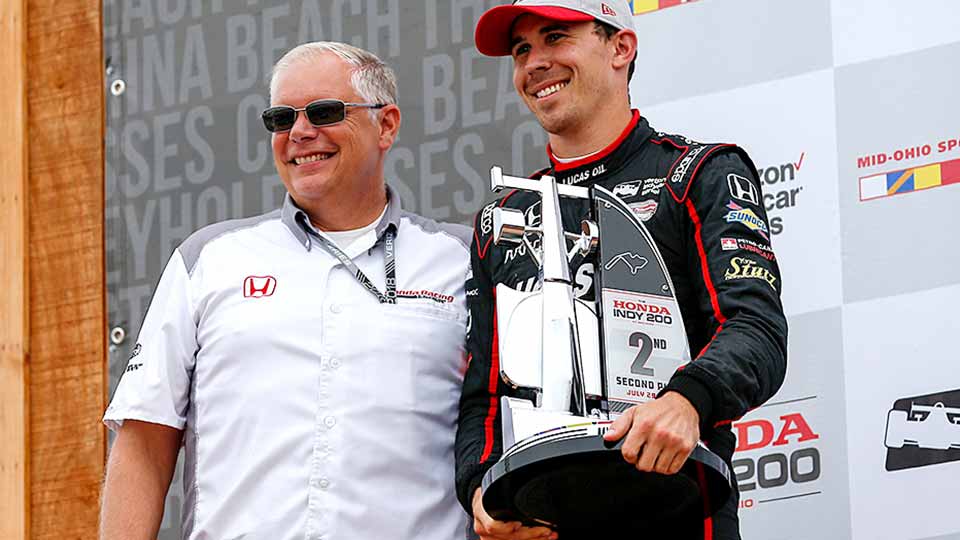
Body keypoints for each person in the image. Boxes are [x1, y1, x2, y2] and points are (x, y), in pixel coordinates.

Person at [100, 42, 472, 540]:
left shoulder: (464, 260)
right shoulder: (209, 259)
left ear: (386, 125)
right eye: (281, 118)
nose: (299, 132)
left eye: (324, 112)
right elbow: (145, 438)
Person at [456, 1, 788, 539]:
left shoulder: (696, 174)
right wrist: (477, 489)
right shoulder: (503, 216)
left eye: (556, 37)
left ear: (620, 47)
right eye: (521, 50)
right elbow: (483, 395)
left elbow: (756, 331)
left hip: (675, 509)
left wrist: (687, 400)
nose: (534, 62)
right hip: (545, 519)